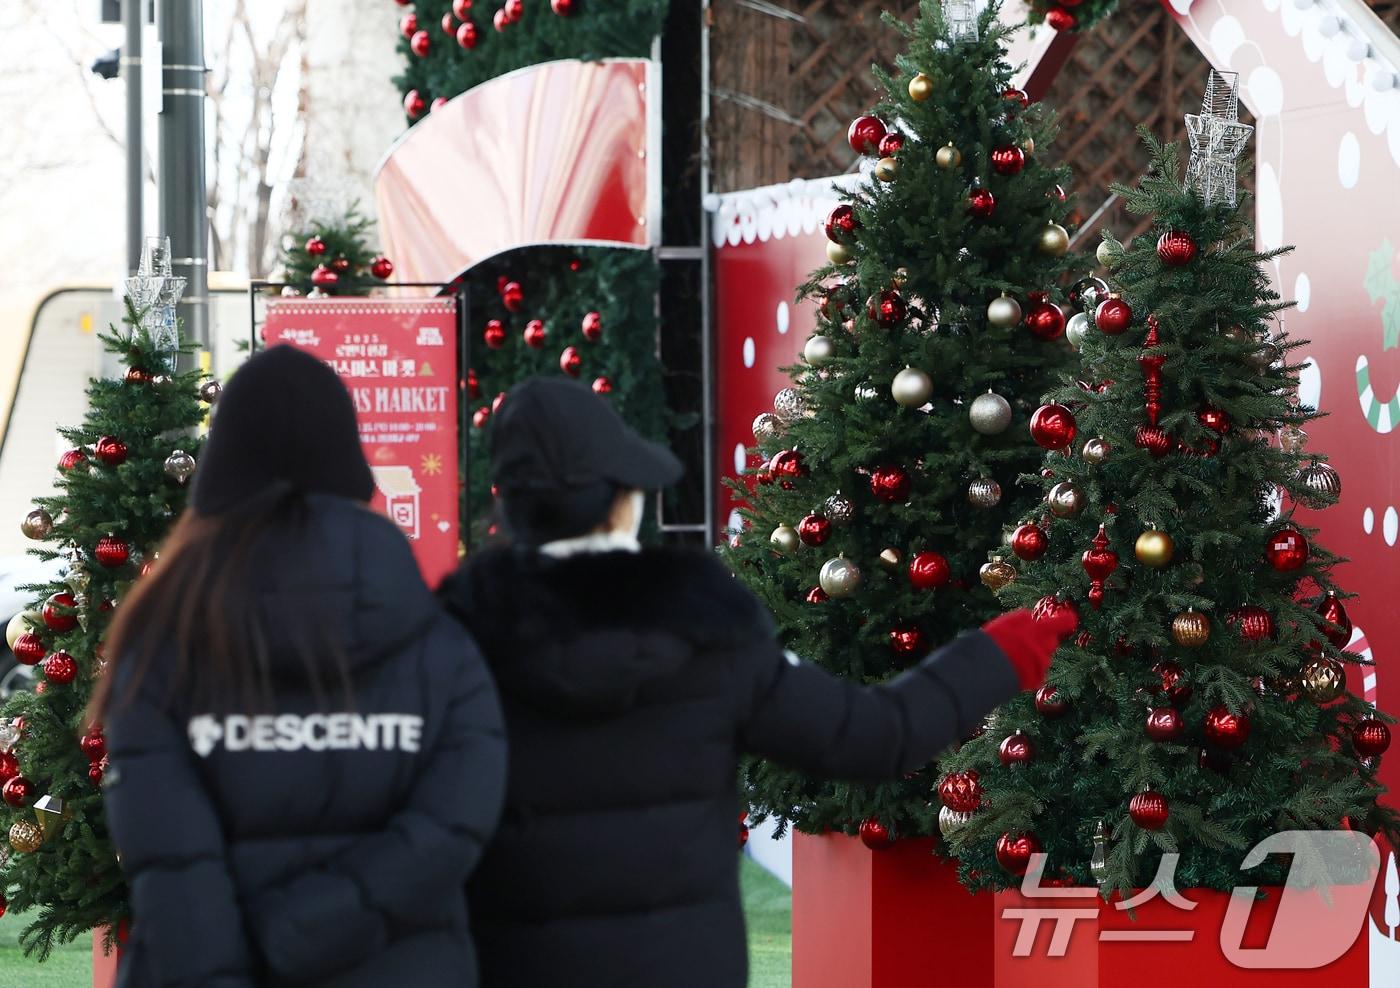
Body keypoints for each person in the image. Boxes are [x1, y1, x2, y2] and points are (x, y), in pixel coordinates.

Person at [439, 377, 1076, 988]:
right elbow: (876, 736)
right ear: (621, 501)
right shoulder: (702, 629)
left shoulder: (451, 638)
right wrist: (1002, 650)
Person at [95, 345, 506, 988]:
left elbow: (170, 864)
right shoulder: (440, 645)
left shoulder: (161, 639)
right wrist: (302, 931)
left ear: (222, 468)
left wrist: (254, 951)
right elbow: (449, 832)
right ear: (349, 464)